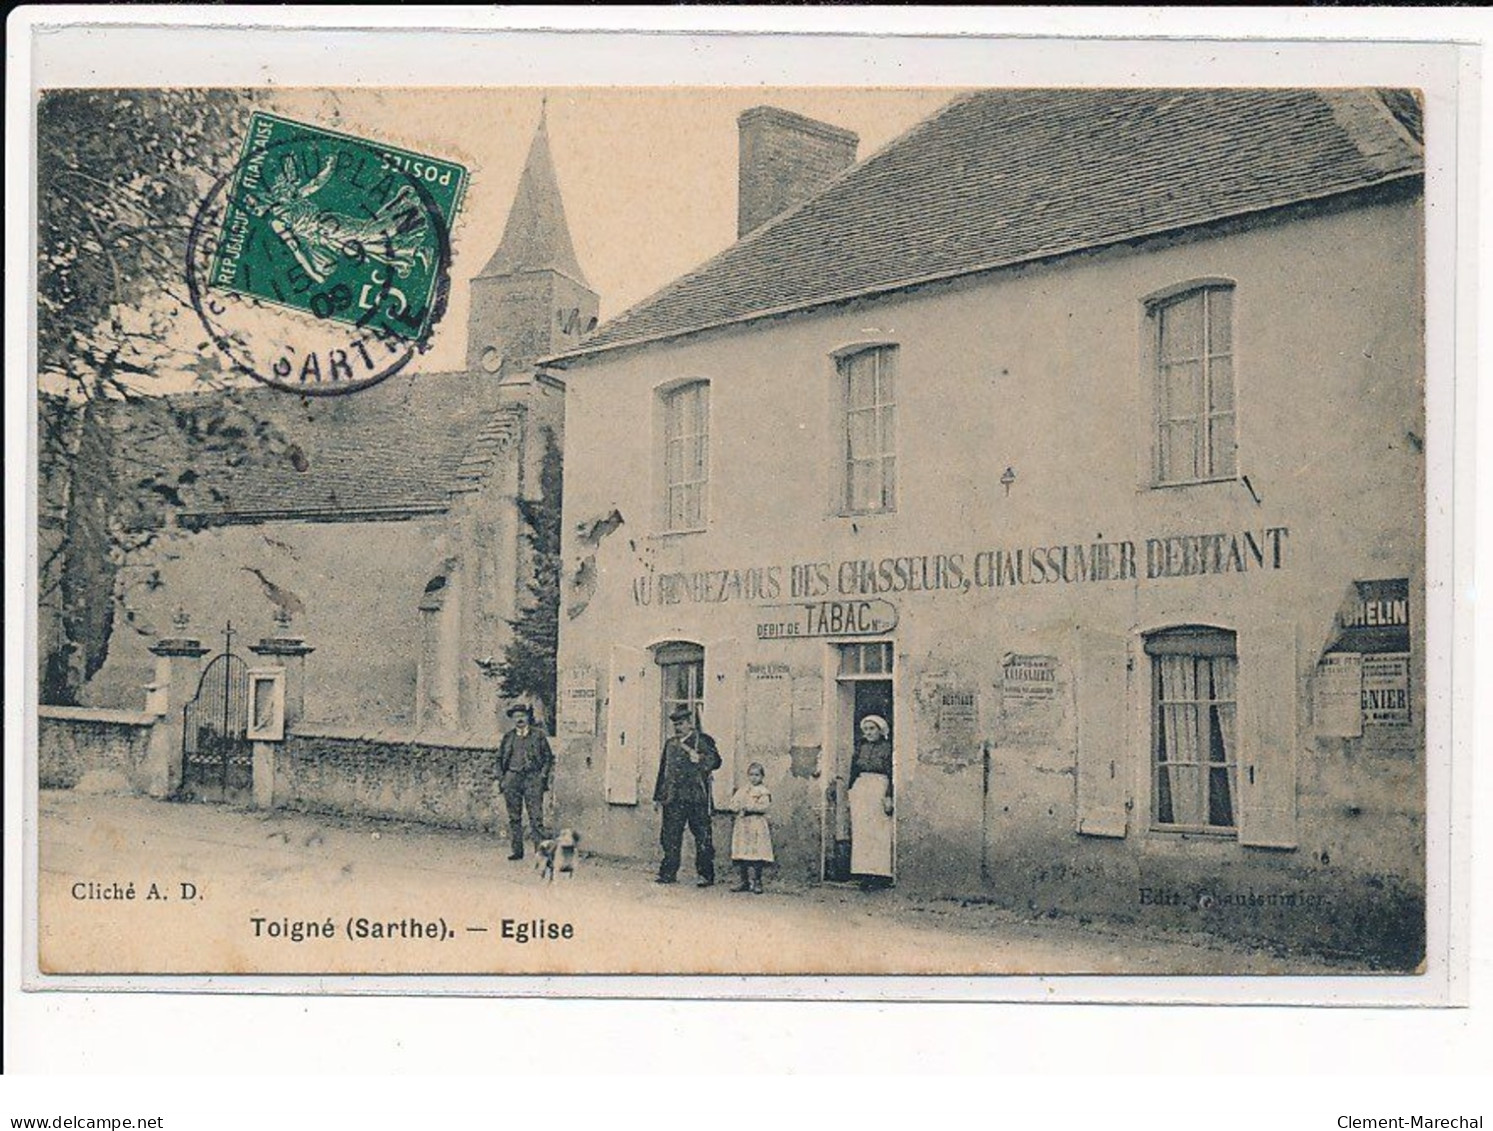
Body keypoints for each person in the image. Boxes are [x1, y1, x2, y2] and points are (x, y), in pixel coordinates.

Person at [653, 705, 721, 886]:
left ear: (690, 723)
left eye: (681, 724)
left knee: (703, 837)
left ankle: (705, 875)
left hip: (696, 798)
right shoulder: (670, 744)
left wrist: (701, 759)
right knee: (670, 837)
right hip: (673, 798)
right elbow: (663, 771)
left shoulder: (703, 741)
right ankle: (668, 873)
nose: (678, 728)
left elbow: (716, 761)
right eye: (675, 724)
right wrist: (659, 797)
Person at [498, 703, 553, 860]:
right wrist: (503, 779)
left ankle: (540, 852)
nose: (519, 719)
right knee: (514, 817)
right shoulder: (508, 737)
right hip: (512, 778)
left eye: (522, 715)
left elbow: (548, 758)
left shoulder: (538, 735)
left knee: (536, 817)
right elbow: (499, 759)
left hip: (532, 778)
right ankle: (517, 851)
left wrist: (543, 776)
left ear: (528, 717)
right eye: (516, 716)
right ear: (513, 719)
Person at [848, 714, 894, 890]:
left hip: (879, 788)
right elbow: (853, 769)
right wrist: (850, 791)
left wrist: (889, 795)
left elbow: (891, 773)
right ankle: (864, 873)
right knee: (862, 831)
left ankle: (880, 874)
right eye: (865, 729)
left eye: (872, 728)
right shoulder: (860, 747)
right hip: (862, 788)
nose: (868, 732)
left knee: (879, 831)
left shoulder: (887, 748)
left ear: (880, 730)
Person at [728, 762, 774, 894]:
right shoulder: (743, 790)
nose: (754, 778)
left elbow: (764, 806)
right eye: (751, 775)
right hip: (743, 824)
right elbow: (733, 803)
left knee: (757, 852)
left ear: (762, 776)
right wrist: (737, 807)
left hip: (756, 824)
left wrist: (749, 807)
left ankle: (757, 881)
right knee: (743, 851)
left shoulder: (763, 792)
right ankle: (744, 881)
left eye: (757, 775)